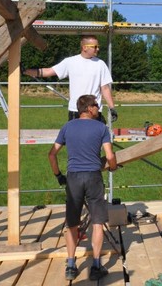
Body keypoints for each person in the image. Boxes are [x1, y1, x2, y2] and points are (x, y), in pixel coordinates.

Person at [48, 94, 118, 281]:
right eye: (96, 105)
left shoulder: (67, 127)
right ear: (88, 108)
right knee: (97, 223)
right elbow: (110, 156)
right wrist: (112, 167)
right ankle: (96, 265)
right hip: (93, 177)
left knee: (72, 224)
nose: (98, 108)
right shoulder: (101, 128)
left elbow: (52, 155)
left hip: (73, 179)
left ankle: (71, 266)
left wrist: (58, 176)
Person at [24, 35, 118, 123]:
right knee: (75, 140)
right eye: (95, 46)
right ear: (84, 47)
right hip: (75, 110)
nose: (98, 49)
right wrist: (26, 71)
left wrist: (112, 108)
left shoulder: (101, 64)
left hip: (94, 111)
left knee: (97, 139)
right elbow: (48, 71)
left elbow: (105, 88)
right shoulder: (70, 62)